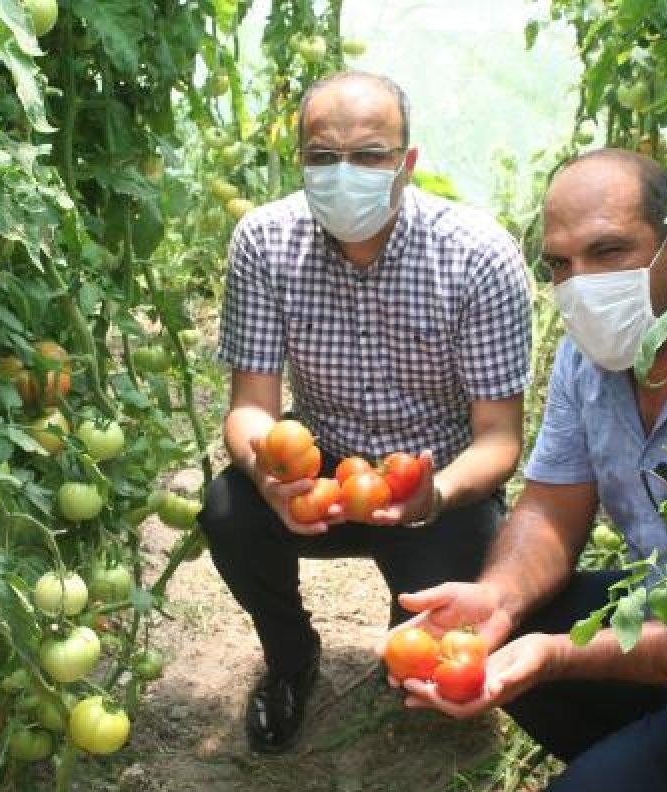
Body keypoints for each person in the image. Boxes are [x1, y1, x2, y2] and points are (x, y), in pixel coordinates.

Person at [391, 149, 667, 792]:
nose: (581, 282)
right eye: (560, 264)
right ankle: (650, 763)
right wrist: (500, 597)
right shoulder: (586, 361)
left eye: (608, 251)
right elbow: (548, 510)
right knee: (521, 624)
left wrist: (565, 653)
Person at [197, 71, 532, 754]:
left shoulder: (477, 256)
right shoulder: (265, 243)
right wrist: (272, 480)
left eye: (371, 154)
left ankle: (406, 632)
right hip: (320, 476)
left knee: (422, 669)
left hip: (440, 485)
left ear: (407, 164)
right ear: (299, 161)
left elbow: (498, 440)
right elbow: (250, 410)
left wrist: (432, 494)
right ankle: (291, 657)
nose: (343, 173)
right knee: (229, 509)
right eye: (322, 156)